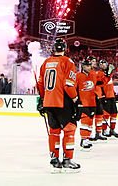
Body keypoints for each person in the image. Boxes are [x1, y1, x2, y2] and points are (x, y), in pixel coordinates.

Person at [37, 39, 80, 170]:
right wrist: (75, 99)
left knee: (54, 131)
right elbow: (68, 85)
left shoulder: (46, 62)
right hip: (63, 101)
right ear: (65, 48)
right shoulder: (68, 62)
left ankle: (54, 159)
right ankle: (67, 160)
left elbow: (40, 84)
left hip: (48, 102)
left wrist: (42, 100)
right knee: (70, 129)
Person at [75, 57, 97, 149]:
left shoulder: (93, 75)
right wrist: (77, 100)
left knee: (90, 121)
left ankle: (87, 138)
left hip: (92, 102)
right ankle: (83, 139)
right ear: (83, 66)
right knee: (85, 121)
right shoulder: (78, 76)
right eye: (87, 66)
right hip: (83, 103)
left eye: (89, 65)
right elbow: (74, 88)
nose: (89, 67)